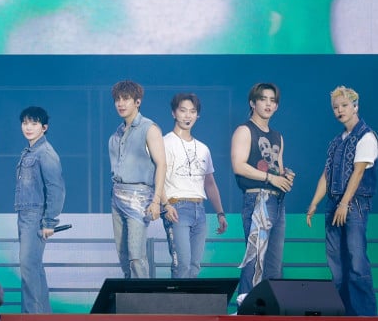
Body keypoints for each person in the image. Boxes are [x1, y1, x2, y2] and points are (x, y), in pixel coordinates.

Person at [306, 86, 378, 316]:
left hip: (354, 204)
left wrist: (344, 203)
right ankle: (344, 316)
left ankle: (365, 317)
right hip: (333, 204)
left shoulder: (366, 136)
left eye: (344, 105)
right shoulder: (336, 141)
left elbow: (358, 172)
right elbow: (326, 175)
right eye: (335, 107)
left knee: (356, 261)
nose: (339, 110)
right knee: (336, 264)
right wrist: (314, 203)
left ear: (355, 106)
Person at [231, 82, 293, 303]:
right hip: (258, 198)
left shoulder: (278, 136)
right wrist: (270, 177)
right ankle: (245, 306)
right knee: (256, 257)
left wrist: (285, 176)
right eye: (263, 99)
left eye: (272, 100)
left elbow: (278, 168)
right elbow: (239, 166)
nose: (268, 104)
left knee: (274, 262)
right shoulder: (245, 130)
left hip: (277, 200)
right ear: (253, 102)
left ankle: (270, 309)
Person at [160, 93, 228, 279]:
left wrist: (220, 213)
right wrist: (165, 205)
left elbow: (210, 183)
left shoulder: (203, 148)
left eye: (192, 111)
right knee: (182, 265)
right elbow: (157, 178)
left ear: (197, 115)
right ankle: (176, 299)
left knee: (194, 266)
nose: (187, 116)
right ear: (174, 113)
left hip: (199, 209)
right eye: (183, 110)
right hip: (177, 207)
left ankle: (190, 300)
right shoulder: (164, 143)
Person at [107, 80, 167, 279]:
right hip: (117, 196)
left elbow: (161, 165)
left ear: (137, 102)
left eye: (126, 99)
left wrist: (157, 201)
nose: (120, 103)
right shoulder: (116, 134)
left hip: (139, 198)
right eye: (117, 99)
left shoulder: (149, 128)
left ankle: (144, 296)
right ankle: (128, 295)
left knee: (136, 255)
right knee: (123, 256)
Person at [14, 106, 66, 313]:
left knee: (29, 267)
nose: (28, 127)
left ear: (44, 127)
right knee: (33, 267)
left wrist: (49, 222)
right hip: (26, 214)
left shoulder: (45, 152)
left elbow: (56, 189)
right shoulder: (30, 151)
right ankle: (43, 317)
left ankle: (32, 318)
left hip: (35, 217)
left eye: (34, 123)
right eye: (25, 123)